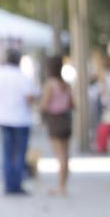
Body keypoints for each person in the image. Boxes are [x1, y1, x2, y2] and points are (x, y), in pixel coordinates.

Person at [0, 48, 38, 195]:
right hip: (21, 119)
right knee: (20, 153)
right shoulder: (23, 76)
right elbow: (30, 99)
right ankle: (16, 184)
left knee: (7, 152)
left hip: (3, 118)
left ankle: (9, 184)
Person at [39, 55, 74, 195]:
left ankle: (60, 186)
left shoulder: (50, 84)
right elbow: (72, 103)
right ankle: (63, 185)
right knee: (65, 154)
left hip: (55, 120)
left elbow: (44, 104)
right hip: (66, 118)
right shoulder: (66, 84)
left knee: (59, 155)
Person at [95, 53, 110, 155]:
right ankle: (102, 146)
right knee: (108, 123)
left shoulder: (106, 75)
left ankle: (102, 146)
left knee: (107, 124)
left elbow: (104, 89)